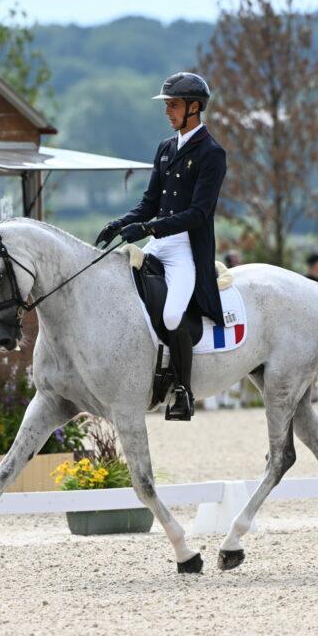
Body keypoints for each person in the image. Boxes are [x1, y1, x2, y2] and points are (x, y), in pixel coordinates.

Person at [94, 72, 227, 421]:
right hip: (158, 244)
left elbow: (198, 213)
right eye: (167, 105)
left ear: (194, 107)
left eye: (174, 105)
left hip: (184, 249)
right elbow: (149, 202)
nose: (168, 111)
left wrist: (148, 227)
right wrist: (120, 223)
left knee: (171, 315)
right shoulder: (166, 149)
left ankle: (182, 391)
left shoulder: (212, 153)